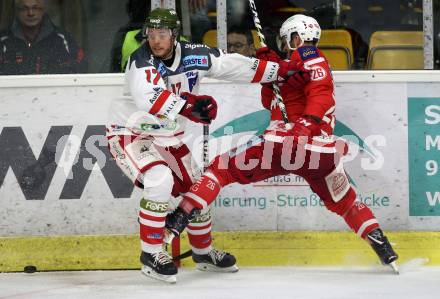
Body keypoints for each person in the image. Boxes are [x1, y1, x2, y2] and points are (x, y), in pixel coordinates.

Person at [165, 14, 399, 272]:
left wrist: (306, 123)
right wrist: (272, 72)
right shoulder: (295, 64)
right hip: (321, 154)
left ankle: (180, 217)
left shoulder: (309, 54)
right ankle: (383, 247)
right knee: (346, 202)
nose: (285, 45)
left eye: (287, 40)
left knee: (221, 169)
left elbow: (321, 92)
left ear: (296, 37)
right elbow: (271, 102)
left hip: (287, 142)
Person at [106, 8, 298, 283]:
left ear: (174, 35)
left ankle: (203, 253)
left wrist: (278, 71)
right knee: (158, 179)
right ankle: (150, 253)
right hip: (130, 132)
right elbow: (149, 98)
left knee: (199, 188)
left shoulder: (194, 53)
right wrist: (189, 106)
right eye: (151, 34)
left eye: (162, 34)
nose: (156, 40)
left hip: (167, 136)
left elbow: (230, 65)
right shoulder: (141, 61)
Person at [0, 0, 86, 75]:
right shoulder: (3, 41)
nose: (30, 13)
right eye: (24, 9)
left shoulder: (62, 40)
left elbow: (80, 71)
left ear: (43, 10)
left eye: (35, 8)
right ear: (17, 12)